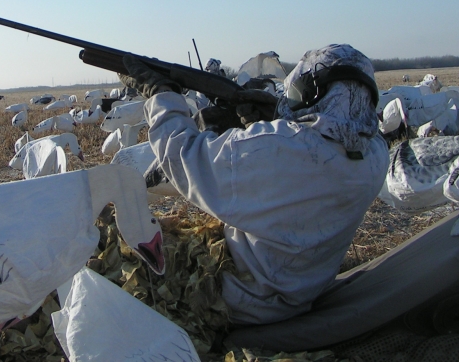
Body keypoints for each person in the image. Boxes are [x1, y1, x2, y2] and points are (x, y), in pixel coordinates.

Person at [119, 44, 389, 326]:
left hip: (242, 301)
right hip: (302, 291)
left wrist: (160, 94)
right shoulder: (375, 156)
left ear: (313, 93)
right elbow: (325, 145)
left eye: (299, 93)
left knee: (129, 264)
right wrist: (277, 114)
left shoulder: (277, 148)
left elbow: (182, 156)